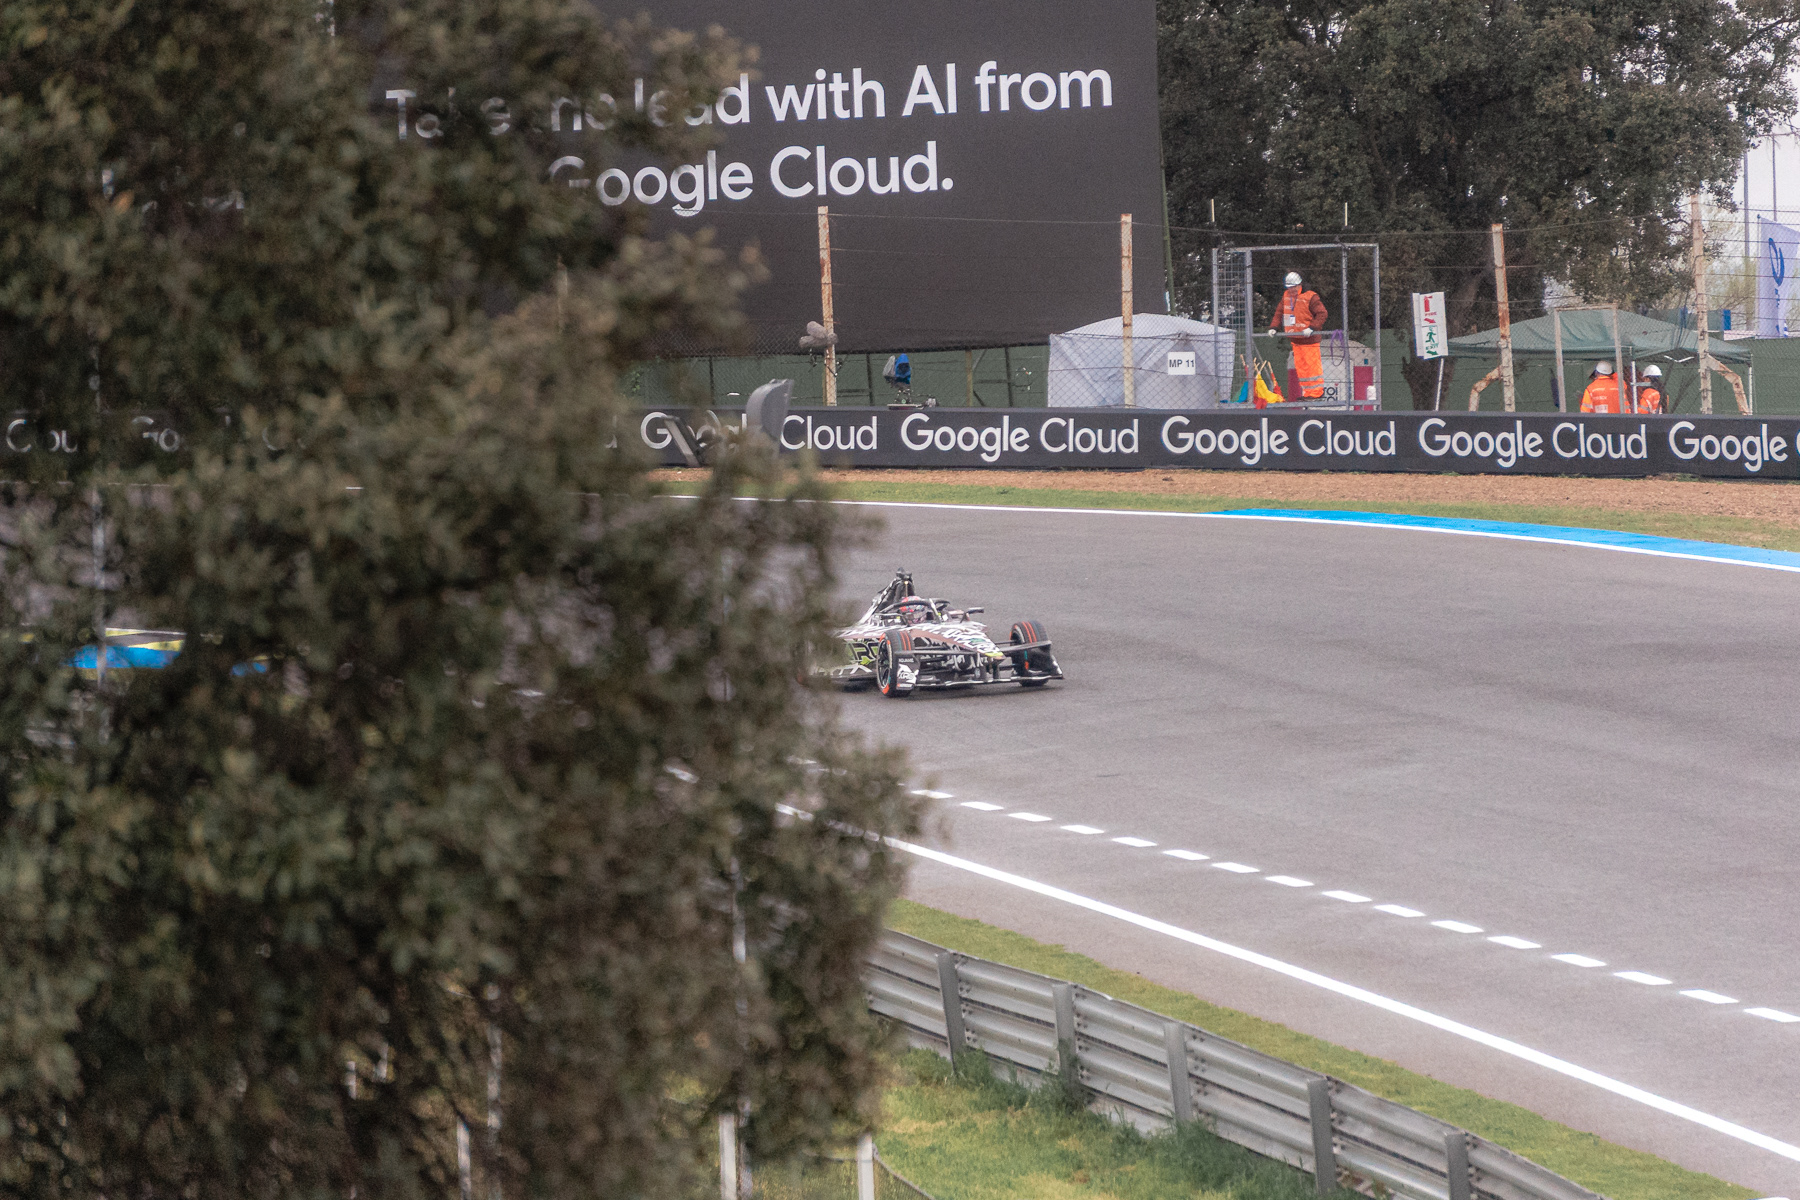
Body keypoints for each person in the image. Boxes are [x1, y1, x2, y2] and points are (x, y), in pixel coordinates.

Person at [1268, 271, 1328, 399]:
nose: (1291, 290)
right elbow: (1279, 312)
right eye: (1289, 287)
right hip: (1296, 339)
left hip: (1310, 339)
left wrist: (1312, 327)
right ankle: (1307, 392)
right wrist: (1274, 327)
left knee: (1312, 366)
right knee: (1301, 368)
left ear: (1299, 284)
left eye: (1293, 287)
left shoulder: (1311, 297)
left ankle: (1317, 393)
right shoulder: (1286, 296)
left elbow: (1322, 313)